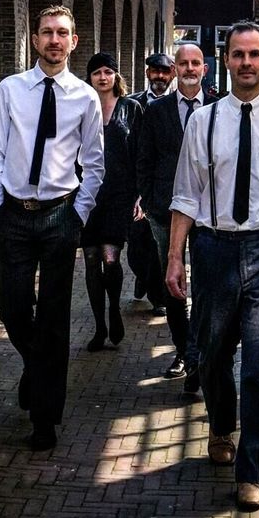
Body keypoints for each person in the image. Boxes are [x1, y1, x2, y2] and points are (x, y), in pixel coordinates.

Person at [166, 20, 259, 511]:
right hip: (213, 248)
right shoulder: (203, 121)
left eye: (255, 54)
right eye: (238, 54)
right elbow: (186, 195)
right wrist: (175, 257)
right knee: (210, 353)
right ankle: (220, 423)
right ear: (225, 60)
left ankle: (251, 471)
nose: (246, 62)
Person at [0, 5, 104, 452]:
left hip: (59, 214)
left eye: (62, 33)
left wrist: (78, 215)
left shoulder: (85, 98)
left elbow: (94, 164)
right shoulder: (10, 89)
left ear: (74, 41)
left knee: (53, 317)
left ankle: (44, 418)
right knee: (12, 306)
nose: (54, 40)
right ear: (34, 39)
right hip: (13, 213)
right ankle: (36, 369)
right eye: (47, 32)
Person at [134, 42, 213, 388]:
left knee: (207, 283)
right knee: (173, 281)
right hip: (166, 210)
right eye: (184, 63)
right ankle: (184, 351)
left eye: (196, 63)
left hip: (210, 213)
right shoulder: (156, 111)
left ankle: (200, 351)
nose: (190, 69)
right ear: (175, 69)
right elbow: (144, 159)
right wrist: (151, 202)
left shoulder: (220, 107)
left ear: (204, 69)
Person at [80, 52, 143, 352]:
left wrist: (140, 194)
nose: (102, 77)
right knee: (91, 259)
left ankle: (114, 309)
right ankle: (99, 326)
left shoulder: (131, 109)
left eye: (108, 72)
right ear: (90, 77)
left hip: (120, 194)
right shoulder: (82, 107)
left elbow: (142, 153)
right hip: (88, 194)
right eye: (97, 73)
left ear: (116, 76)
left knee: (110, 258)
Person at [127, 52, 177, 311]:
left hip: (161, 188)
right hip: (135, 184)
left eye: (164, 71)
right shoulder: (131, 103)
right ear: (147, 73)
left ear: (172, 74)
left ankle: (158, 298)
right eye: (155, 71)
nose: (159, 76)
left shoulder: (175, 106)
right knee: (136, 245)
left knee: (159, 245)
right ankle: (142, 276)